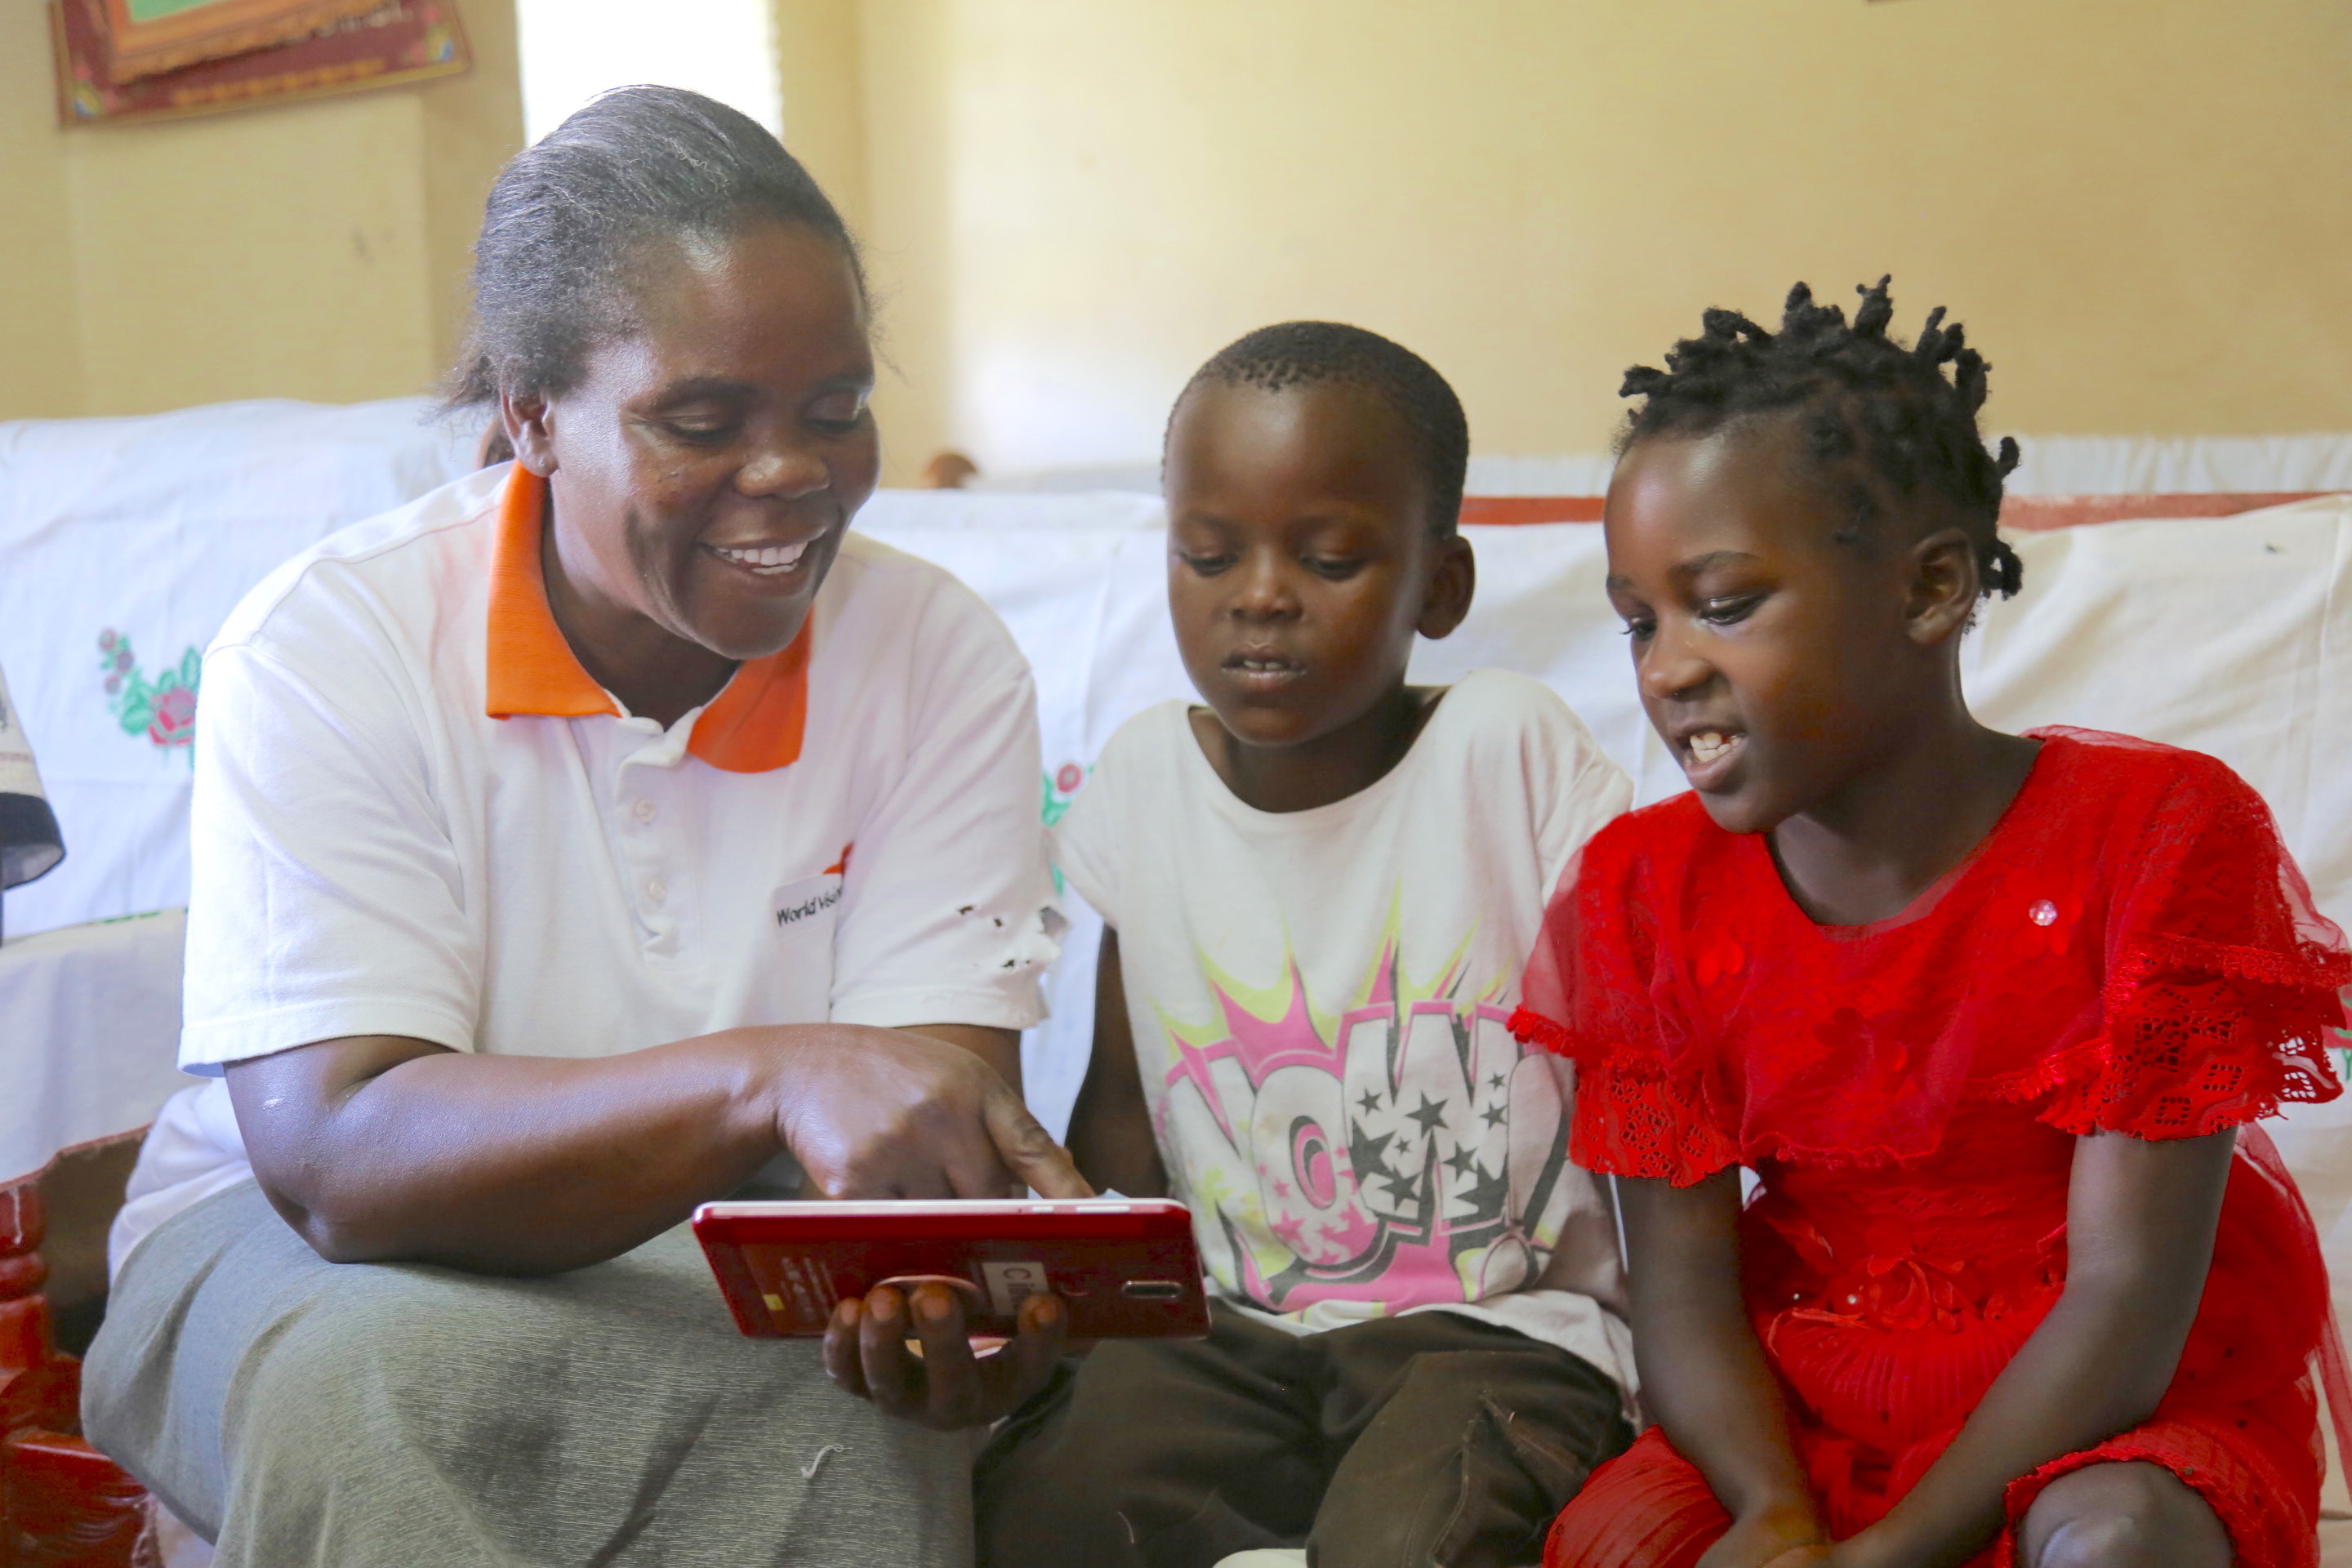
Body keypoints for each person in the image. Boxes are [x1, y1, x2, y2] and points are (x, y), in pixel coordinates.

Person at [84, 87, 1086, 1568]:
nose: (793, 476)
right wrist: (770, 1077)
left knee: (866, 1422)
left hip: (718, 1252)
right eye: (702, 421)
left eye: (836, 410)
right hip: (283, 1248)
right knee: (393, 1387)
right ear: (533, 415)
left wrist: (924, 1294)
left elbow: (915, 1131)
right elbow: (339, 1164)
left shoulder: (937, 660)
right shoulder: (329, 648)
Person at [1522, 280, 2351, 1568]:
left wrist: (1891, 1557)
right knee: (1620, 1546)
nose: (1667, 667)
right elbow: (1680, 1299)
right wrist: (1777, 1514)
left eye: (1725, 604)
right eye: (1641, 621)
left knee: (2114, 1540)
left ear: (1932, 590)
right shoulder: (1641, 892)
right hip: (1794, 1421)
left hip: (2098, 1414)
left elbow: (2126, 1304)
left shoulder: (2161, 838)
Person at [968, 323, 1637, 1568]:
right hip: (1225, 1332)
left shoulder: (1507, 751)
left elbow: (1648, 1070)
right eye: (1208, 555)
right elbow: (1121, 1118)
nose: (1260, 594)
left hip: (1501, 1334)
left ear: (1440, 588)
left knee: (1410, 1541)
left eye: (1327, 558)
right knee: (1044, 1521)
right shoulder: (1145, 781)